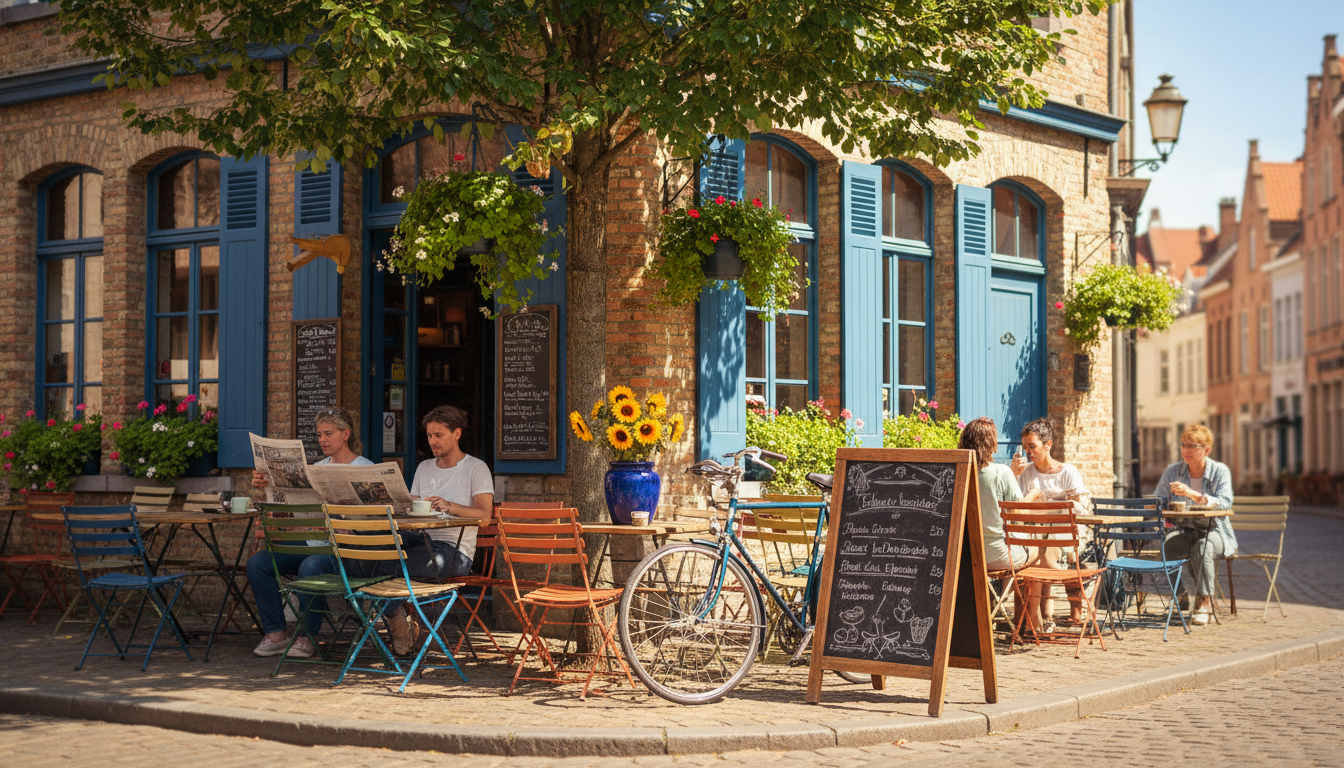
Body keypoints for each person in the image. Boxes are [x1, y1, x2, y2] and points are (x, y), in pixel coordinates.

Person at [348, 405, 494, 654]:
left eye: (439, 435)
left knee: (386, 565)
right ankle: (398, 620)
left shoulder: (475, 468)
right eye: (429, 435)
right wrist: (399, 504)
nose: (432, 441)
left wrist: (450, 506)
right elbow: (411, 509)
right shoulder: (425, 467)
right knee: (365, 551)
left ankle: (397, 624)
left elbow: (484, 516)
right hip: (420, 538)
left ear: (457, 434)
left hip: (454, 551)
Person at [245, 406, 374, 658]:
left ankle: (307, 636)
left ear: (346, 434)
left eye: (328, 434)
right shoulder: (316, 468)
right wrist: (266, 485)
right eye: (319, 435)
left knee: (311, 566)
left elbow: (374, 516)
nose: (322, 439)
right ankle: (276, 633)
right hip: (313, 543)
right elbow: (294, 510)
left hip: (346, 550)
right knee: (258, 563)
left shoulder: (363, 467)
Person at [1152, 424, 1235, 626]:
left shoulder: (1220, 471)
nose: (1186, 450)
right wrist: (1158, 506)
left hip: (1214, 530)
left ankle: (1203, 602)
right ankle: (1180, 596)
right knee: (1168, 547)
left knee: (1202, 547)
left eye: (1192, 446)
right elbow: (1157, 499)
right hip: (1183, 529)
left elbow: (1225, 503)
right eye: (1183, 445)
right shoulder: (1173, 471)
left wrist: (1193, 495)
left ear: (1206, 450)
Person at [1011, 417, 1091, 626]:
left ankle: (1034, 621)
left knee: (1037, 556)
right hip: (1036, 535)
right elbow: (1017, 509)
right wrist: (1013, 475)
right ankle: (1038, 620)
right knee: (1033, 552)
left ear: (1048, 445)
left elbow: (1081, 507)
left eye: (1032, 446)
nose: (1028, 452)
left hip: (1066, 534)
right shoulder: (1026, 474)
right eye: (1025, 447)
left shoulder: (1067, 472)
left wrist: (1047, 507)